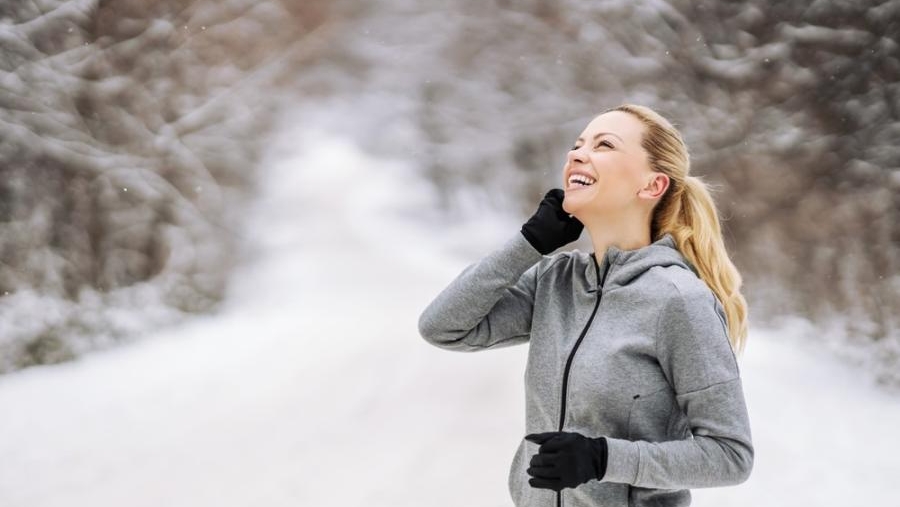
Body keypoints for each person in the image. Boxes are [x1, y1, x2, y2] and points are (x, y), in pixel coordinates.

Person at [417, 104, 754, 507]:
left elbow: (730, 455)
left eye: (604, 145)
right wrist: (527, 245)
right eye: (577, 145)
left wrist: (603, 458)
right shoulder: (555, 281)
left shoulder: (678, 300)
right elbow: (441, 326)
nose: (577, 154)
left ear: (652, 186)